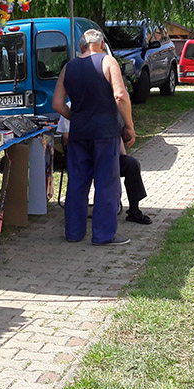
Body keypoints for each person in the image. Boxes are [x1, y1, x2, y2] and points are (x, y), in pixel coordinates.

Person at [52, 29, 134, 245]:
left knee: (77, 183)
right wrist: (129, 125)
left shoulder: (68, 67)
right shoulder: (108, 62)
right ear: (102, 45)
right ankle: (103, 235)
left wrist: (77, 117)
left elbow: (57, 104)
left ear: (81, 47)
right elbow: (120, 95)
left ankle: (74, 233)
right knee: (106, 183)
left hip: (79, 133)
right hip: (105, 133)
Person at [57, 115, 151, 224]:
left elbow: (116, 135)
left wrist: (121, 156)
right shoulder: (71, 108)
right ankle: (78, 216)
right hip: (85, 157)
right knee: (97, 170)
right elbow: (66, 137)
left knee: (131, 164)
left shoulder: (106, 108)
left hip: (108, 155)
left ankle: (134, 211)